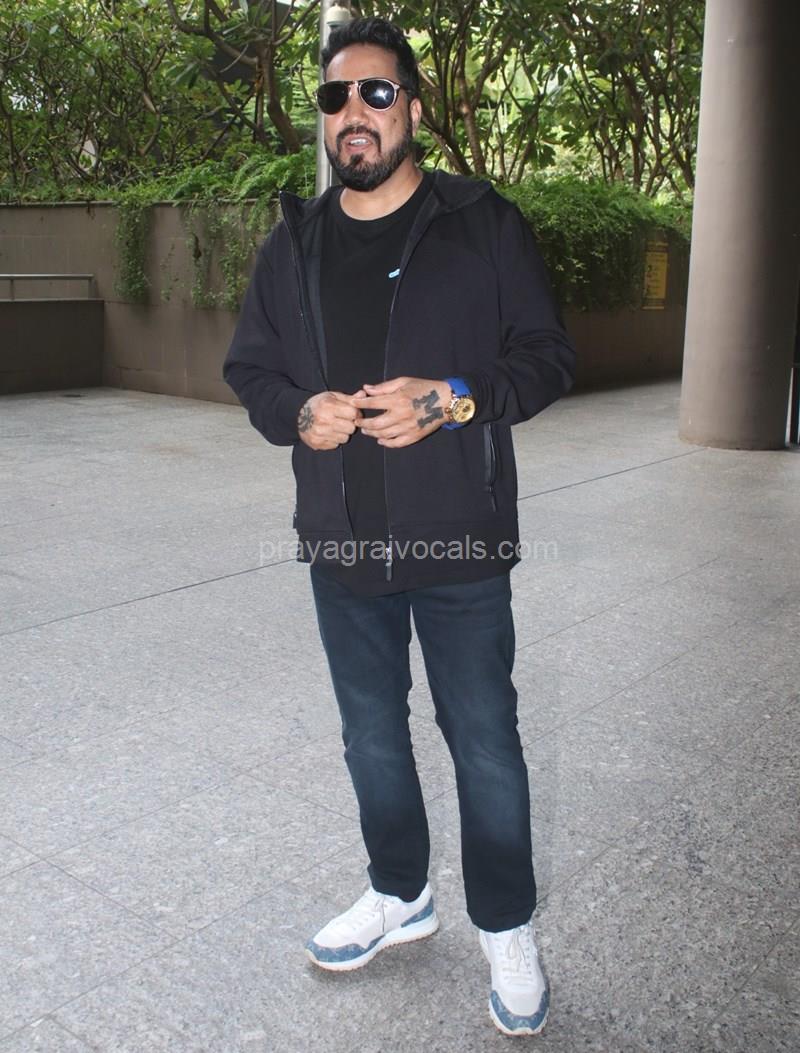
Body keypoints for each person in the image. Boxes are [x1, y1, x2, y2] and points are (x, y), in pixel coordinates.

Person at [223, 16, 574, 1038]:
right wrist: (298, 412)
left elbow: (547, 357)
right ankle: (399, 893)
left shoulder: (480, 222)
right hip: (341, 543)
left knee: (484, 741)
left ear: (411, 107)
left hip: (457, 538)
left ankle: (505, 926)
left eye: (376, 93)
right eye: (336, 97)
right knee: (371, 737)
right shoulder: (293, 241)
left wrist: (454, 397)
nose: (355, 113)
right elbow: (250, 369)